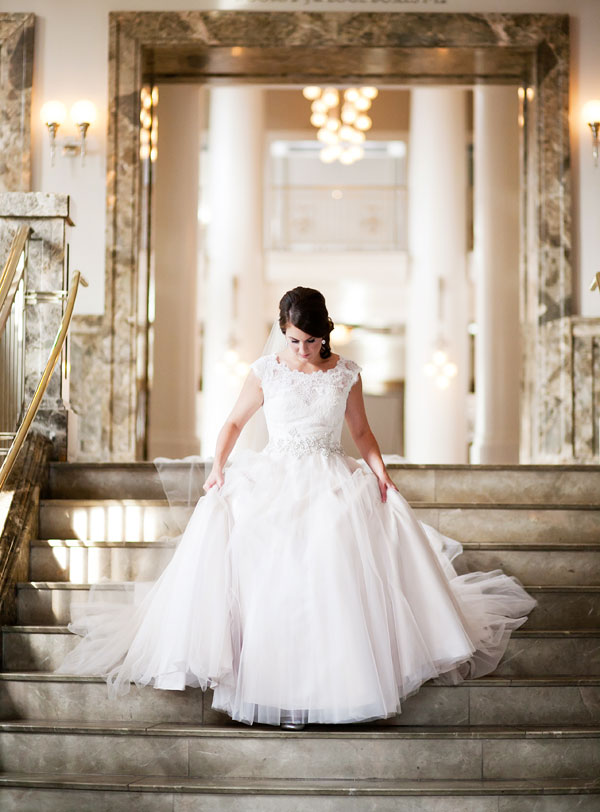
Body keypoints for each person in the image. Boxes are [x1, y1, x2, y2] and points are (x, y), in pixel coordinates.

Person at [55, 285, 537, 729]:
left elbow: (362, 432)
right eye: (291, 340)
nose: (300, 350)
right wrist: (218, 468)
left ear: (323, 333)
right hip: (274, 476)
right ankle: (268, 681)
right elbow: (233, 424)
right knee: (271, 571)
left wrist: (381, 472)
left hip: (332, 476)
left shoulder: (346, 372)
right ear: (281, 333)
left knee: (333, 566)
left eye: (308, 340)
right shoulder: (267, 371)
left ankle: (337, 683)